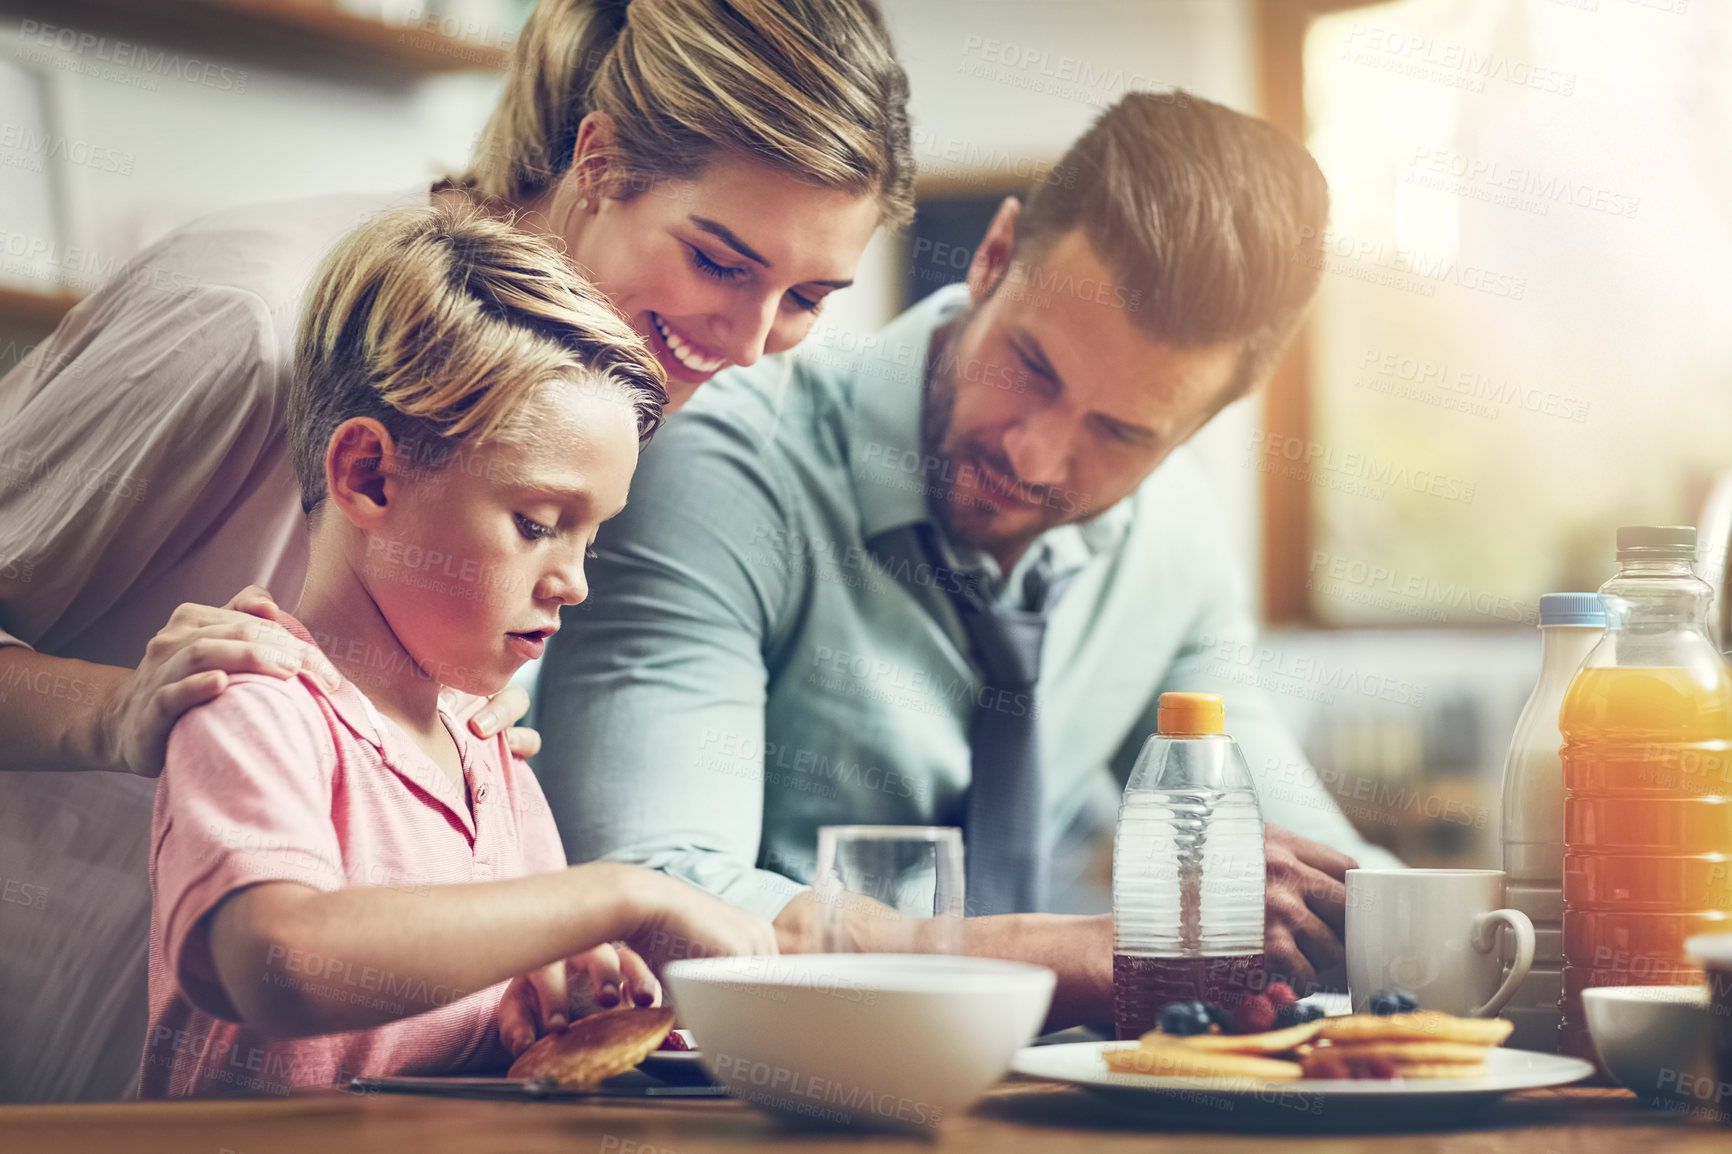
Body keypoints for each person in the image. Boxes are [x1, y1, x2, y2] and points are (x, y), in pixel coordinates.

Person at [0, 0, 912, 1101]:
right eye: (720, 260)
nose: (753, 340)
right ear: (601, 158)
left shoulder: (617, 398)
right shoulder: (247, 320)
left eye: (808, 298)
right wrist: (120, 709)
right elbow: (286, 945)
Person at [533, 91, 1406, 1029]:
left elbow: (1314, 867)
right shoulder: (726, 462)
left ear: (1198, 427)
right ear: (994, 258)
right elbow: (648, 887)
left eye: (1120, 431)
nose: (1035, 457)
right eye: (1032, 365)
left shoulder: (1172, 538)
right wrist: (1082, 955)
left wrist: (1463, 921)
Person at [142, 202, 775, 1099]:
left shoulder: (492, 755)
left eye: (588, 539)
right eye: (538, 525)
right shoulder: (256, 702)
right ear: (368, 474)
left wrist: (537, 1001)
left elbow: (465, 1005)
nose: (574, 582)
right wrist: (622, 895)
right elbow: (277, 960)